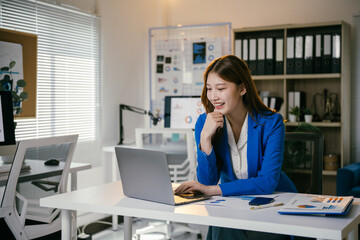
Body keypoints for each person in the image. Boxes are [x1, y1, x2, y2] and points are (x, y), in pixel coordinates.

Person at [175, 55, 296, 240]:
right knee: (224, 228)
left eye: (221, 88)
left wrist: (214, 191)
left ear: (242, 88)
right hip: (233, 203)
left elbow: (267, 182)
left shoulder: (272, 123)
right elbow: (208, 181)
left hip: (274, 202)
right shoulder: (204, 123)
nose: (213, 96)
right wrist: (205, 139)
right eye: (209, 89)